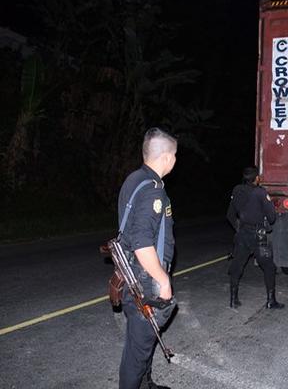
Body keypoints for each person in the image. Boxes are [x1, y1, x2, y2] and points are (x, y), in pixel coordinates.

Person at [118, 127, 177, 389]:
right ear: (165, 157)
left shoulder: (134, 179)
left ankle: (146, 383)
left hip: (134, 271)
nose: (175, 160)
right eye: (174, 155)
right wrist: (163, 280)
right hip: (146, 276)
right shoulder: (153, 190)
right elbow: (142, 243)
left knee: (146, 336)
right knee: (137, 350)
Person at [226, 166, 284, 310]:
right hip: (259, 236)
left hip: (242, 235)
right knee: (269, 267)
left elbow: (230, 215)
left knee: (237, 265)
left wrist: (239, 228)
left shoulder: (237, 190)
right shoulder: (260, 192)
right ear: (256, 178)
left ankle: (233, 299)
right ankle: (271, 301)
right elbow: (272, 218)